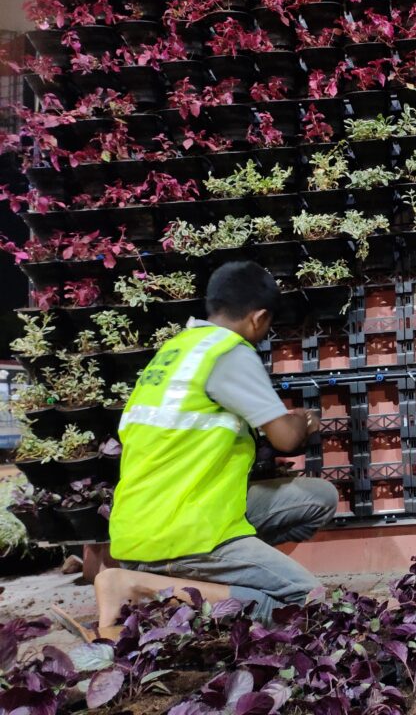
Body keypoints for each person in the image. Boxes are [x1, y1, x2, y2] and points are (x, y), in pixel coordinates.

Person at [54, 262, 338, 638]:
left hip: (138, 529)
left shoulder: (175, 352)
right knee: (309, 605)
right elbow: (286, 438)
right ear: (259, 318)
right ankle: (140, 589)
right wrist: (306, 419)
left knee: (319, 497)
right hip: (191, 530)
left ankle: (188, 582)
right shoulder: (229, 352)